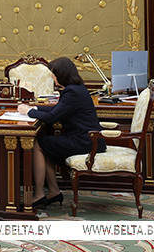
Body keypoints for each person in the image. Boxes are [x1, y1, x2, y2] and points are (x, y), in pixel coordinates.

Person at [17, 56, 101, 209]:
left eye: (54, 75)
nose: (53, 78)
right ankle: (54, 191)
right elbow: (57, 109)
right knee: (46, 146)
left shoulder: (72, 92)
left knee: (38, 144)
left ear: (61, 75)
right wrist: (35, 108)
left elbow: (52, 117)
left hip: (84, 141)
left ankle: (39, 194)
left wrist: (29, 112)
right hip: (87, 138)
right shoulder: (76, 88)